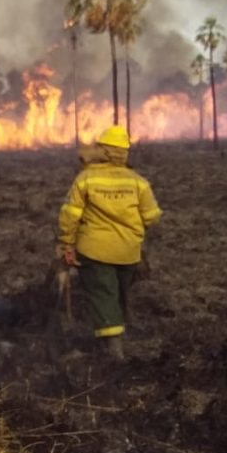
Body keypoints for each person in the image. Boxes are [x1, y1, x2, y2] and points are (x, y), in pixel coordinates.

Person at [56, 126, 162, 360]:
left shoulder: (85, 179)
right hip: (128, 252)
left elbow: (69, 215)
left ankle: (114, 352)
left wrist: (66, 243)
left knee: (104, 296)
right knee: (119, 294)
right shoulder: (138, 182)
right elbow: (153, 216)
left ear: (102, 150)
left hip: (95, 251)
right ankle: (123, 335)